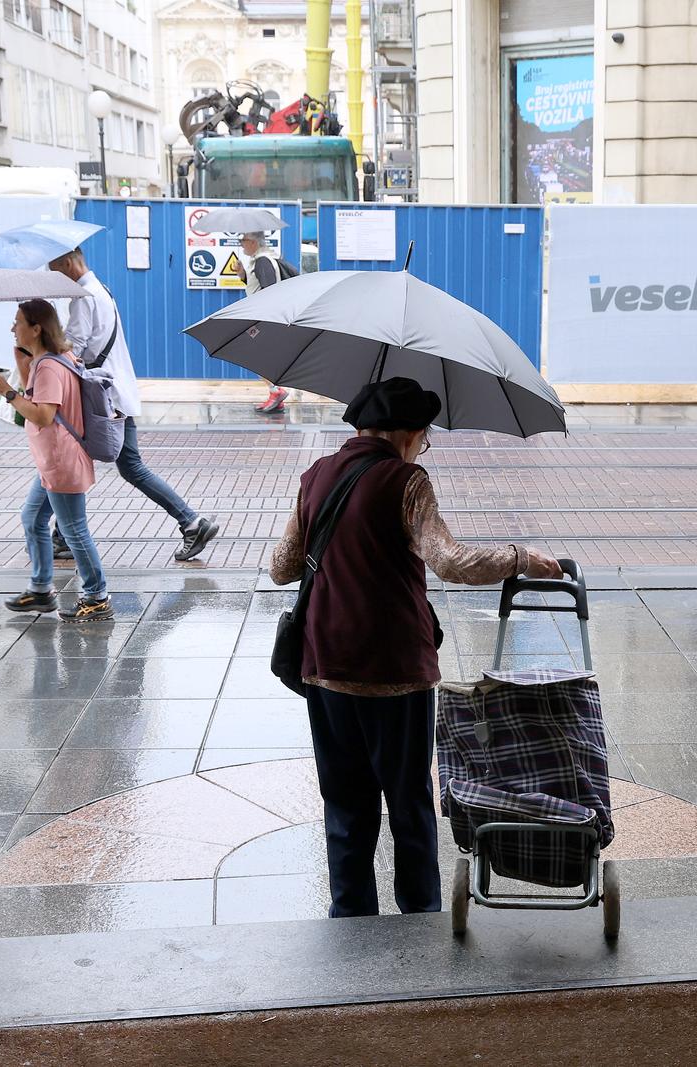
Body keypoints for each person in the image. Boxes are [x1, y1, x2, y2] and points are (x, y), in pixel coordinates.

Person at [268, 377, 563, 918]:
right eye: (423, 436)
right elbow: (450, 561)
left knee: (346, 802)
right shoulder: (405, 481)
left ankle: (351, 915)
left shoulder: (315, 476)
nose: (423, 446)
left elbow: (281, 567)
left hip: (324, 664)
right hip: (394, 670)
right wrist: (520, 556)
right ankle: (420, 912)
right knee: (407, 802)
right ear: (406, 434)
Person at [48, 248, 221, 562]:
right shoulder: (102, 291)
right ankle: (63, 535)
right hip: (112, 395)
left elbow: (72, 348)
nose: (55, 277)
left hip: (102, 401)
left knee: (112, 466)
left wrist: (43, 342)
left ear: (70, 262)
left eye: (56, 269)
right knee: (101, 464)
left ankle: (192, 522)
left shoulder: (84, 297)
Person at [0, 300, 113, 622]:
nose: (13, 328)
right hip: (52, 460)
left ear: (36, 328)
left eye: (18, 322)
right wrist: (24, 366)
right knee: (32, 518)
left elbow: (43, 414)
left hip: (61, 461)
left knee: (73, 530)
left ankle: (97, 596)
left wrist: (7, 391)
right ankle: (41, 589)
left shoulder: (50, 367)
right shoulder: (50, 360)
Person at [238, 232, 294, 414]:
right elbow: (260, 285)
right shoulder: (263, 259)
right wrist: (243, 275)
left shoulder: (262, 260)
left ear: (253, 242)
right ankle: (275, 395)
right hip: (266, 317)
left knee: (253, 355)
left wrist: (262, 320)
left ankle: (276, 390)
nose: (241, 244)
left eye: (243, 241)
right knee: (264, 357)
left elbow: (269, 290)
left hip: (265, 317)